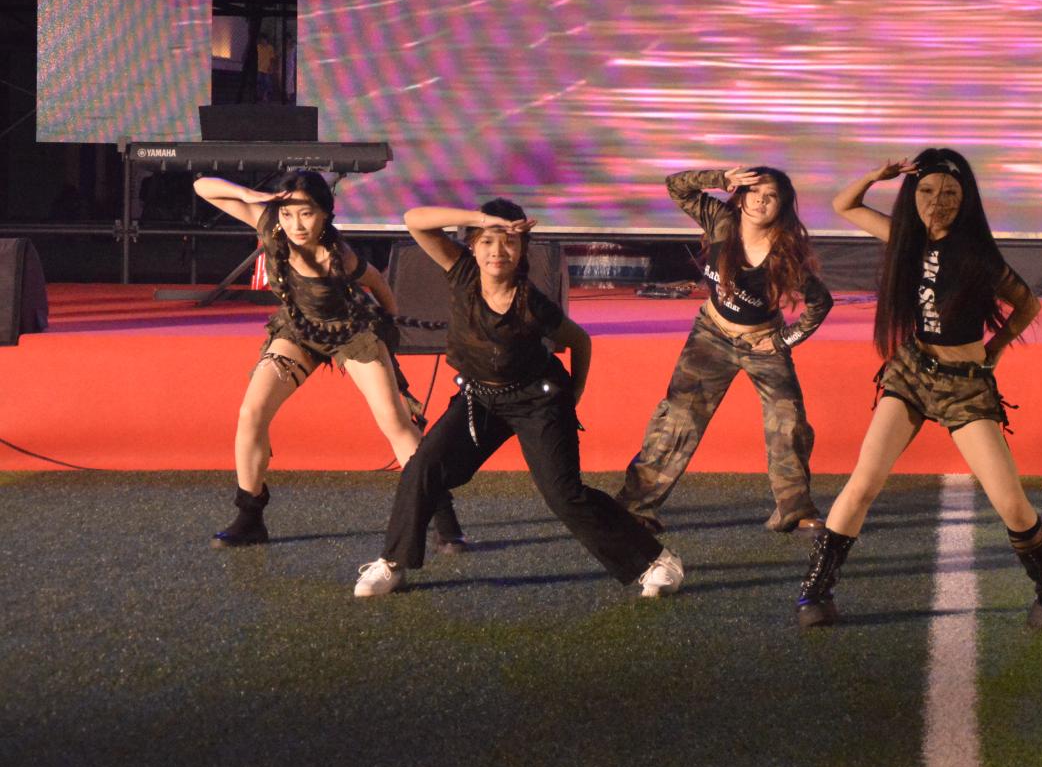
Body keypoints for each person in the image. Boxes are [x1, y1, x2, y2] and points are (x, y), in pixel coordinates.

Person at [793, 149, 1042, 631]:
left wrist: (995, 348)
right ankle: (815, 591)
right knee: (863, 483)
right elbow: (844, 205)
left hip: (964, 387)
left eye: (951, 192)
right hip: (911, 374)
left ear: (966, 197)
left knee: (1011, 502)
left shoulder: (977, 252)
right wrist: (878, 175)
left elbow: (1027, 304)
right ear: (913, 195)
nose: (939, 201)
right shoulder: (903, 238)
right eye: (928, 191)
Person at [352, 200, 682, 598]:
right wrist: (481, 219)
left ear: (523, 249)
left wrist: (573, 395)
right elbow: (414, 220)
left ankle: (656, 562)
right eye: (487, 241)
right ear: (473, 245)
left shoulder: (532, 302)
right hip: (479, 400)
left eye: (509, 242)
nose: (497, 251)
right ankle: (393, 563)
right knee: (423, 466)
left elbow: (579, 341)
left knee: (565, 496)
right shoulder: (461, 271)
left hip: (537, 402)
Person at [192, 170, 463, 550]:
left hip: (351, 333)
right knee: (251, 413)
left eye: (306, 214)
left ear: (325, 214)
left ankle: (443, 516)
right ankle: (249, 517)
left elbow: (378, 284)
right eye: (288, 215)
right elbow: (202, 186)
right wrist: (252, 195)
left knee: (394, 420)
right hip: (298, 331)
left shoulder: (342, 257)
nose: (296, 225)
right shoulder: (269, 224)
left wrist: (388, 327)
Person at [615, 166, 833, 534]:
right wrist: (719, 178)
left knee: (788, 420)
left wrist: (783, 341)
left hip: (761, 342)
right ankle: (635, 507)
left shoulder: (785, 254)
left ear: (781, 207)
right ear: (741, 196)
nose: (761, 202)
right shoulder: (721, 221)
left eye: (771, 197)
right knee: (679, 419)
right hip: (711, 334)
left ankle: (794, 510)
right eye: (755, 193)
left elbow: (820, 302)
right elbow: (676, 187)